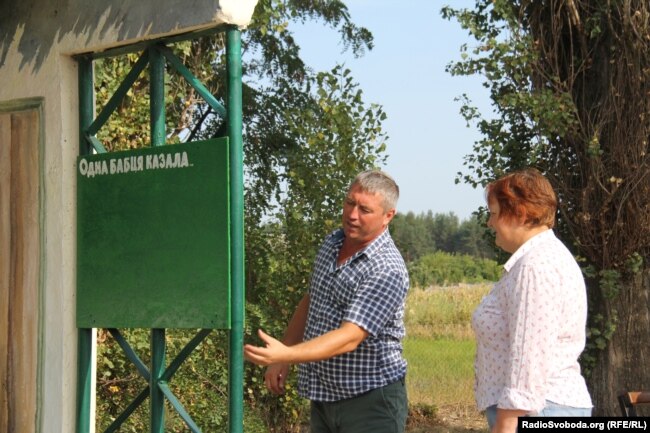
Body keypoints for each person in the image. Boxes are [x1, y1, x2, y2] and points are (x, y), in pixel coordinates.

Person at [244, 170, 410, 433]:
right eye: (349, 203)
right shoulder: (332, 243)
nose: (352, 214)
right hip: (324, 399)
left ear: (387, 216)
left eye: (364, 209)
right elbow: (312, 300)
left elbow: (350, 336)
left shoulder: (386, 268)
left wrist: (287, 354)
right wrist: (283, 355)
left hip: (370, 402)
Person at [472, 168, 592, 433]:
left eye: (493, 214)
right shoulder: (539, 258)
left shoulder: (535, 266)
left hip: (538, 411)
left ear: (520, 213)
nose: (489, 223)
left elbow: (529, 356)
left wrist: (505, 423)